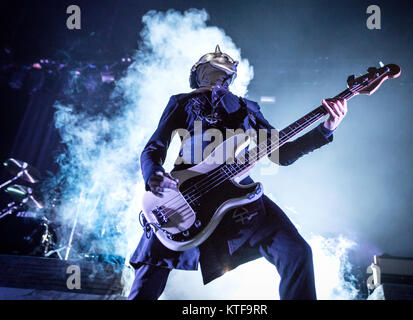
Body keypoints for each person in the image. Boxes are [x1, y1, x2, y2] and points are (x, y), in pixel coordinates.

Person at [128, 45, 347, 300]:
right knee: (151, 267)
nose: (217, 76)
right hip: (185, 191)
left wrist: (326, 129)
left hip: (237, 194)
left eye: (223, 73)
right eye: (210, 70)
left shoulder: (247, 108)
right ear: (198, 74)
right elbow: (154, 147)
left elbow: (282, 154)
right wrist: (154, 174)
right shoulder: (182, 102)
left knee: (297, 251)